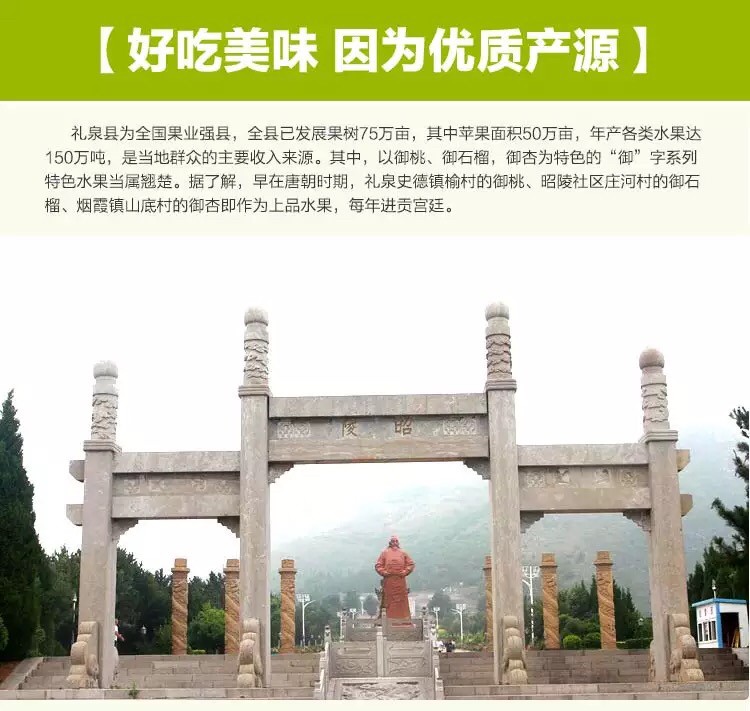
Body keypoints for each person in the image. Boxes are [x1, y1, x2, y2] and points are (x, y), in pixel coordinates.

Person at [374, 536, 415, 621]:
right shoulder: (384, 553)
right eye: (393, 541)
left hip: (400, 581)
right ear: (390, 543)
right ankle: (388, 619)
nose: (395, 543)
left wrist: (405, 572)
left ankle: (404, 620)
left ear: (398, 543)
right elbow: (378, 565)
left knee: (401, 601)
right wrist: (384, 572)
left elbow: (411, 564)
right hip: (389, 581)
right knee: (388, 601)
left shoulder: (403, 553)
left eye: (396, 541)